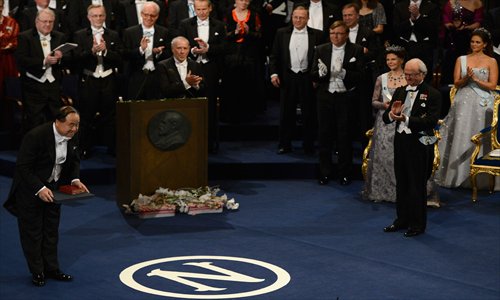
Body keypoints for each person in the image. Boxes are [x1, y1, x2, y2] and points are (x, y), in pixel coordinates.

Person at [3, 106, 89, 286]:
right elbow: (23, 168)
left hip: (54, 189)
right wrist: (40, 188)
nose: (74, 129)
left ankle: (52, 268)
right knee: (33, 233)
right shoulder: (35, 136)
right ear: (57, 122)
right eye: (71, 125)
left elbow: (74, 160)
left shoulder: (72, 136)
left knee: (51, 231)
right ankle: (37, 272)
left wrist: (74, 179)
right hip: (30, 190)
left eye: (77, 125)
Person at [382, 58, 441, 237]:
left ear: (422, 74)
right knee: (402, 183)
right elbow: (386, 118)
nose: (407, 78)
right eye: (406, 74)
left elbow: (430, 121)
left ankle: (417, 225)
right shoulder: (400, 91)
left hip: (420, 144)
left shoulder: (433, 94)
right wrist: (393, 114)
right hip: (401, 142)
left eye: (412, 75)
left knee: (416, 185)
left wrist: (406, 119)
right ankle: (401, 220)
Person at [435, 28, 498, 188]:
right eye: (472, 41)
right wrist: (466, 78)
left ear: (484, 44)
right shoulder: (461, 59)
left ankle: (482, 177)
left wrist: (476, 79)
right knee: (461, 133)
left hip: (483, 102)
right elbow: (456, 82)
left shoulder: (491, 61)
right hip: (463, 100)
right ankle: (457, 176)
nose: (474, 44)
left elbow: (492, 85)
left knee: (480, 133)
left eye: (478, 42)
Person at [311, 20, 364, 186]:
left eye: (339, 33)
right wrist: (320, 74)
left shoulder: (356, 50)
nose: (335, 36)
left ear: (346, 34)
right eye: (333, 33)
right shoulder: (321, 49)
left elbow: (362, 76)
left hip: (345, 98)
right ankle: (324, 172)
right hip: (325, 97)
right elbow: (313, 75)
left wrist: (345, 73)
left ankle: (344, 174)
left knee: (344, 137)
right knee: (324, 136)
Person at [269, 5, 323, 155]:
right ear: (291, 17)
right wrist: (274, 74)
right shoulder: (281, 33)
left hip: (308, 78)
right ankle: (284, 144)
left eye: (301, 17)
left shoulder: (317, 35)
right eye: (295, 17)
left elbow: (321, 59)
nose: (298, 20)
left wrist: (317, 77)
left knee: (309, 114)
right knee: (286, 113)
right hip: (288, 77)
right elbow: (274, 56)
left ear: (307, 19)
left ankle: (308, 145)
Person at [72, 4, 123, 158]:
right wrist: (91, 52)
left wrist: (106, 52)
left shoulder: (113, 35)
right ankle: (84, 148)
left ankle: (111, 147)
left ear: (105, 16)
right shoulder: (80, 35)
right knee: (86, 116)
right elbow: (75, 59)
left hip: (108, 79)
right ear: (88, 18)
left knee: (110, 116)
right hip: (89, 80)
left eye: (101, 15)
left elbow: (120, 58)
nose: (98, 18)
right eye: (94, 16)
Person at [178, 0, 226, 153]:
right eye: (198, 9)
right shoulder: (185, 24)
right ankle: (188, 142)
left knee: (210, 106)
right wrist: (192, 51)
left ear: (210, 8)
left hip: (210, 69)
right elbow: (180, 45)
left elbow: (224, 48)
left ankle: (209, 143)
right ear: (194, 9)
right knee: (190, 104)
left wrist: (208, 49)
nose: (201, 12)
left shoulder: (219, 25)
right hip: (191, 68)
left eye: (204, 9)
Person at [362, 45, 406, 202]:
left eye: (393, 59)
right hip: (384, 122)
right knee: (384, 156)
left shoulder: (408, 77)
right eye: (388, 59)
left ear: (401, 59)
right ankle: (382, 192)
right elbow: (374, 101)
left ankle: (402, 192)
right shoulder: (382, 78)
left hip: (403, 121)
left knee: (400, 156)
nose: (390, 62)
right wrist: (384, 106)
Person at [15, 8, 67, 131]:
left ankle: (52, 150)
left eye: (50, 21)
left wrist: (60, 59)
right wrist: (44, 61)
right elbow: (21, 60)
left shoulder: (60, 37)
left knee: (54, 123)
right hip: (33, 88)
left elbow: (70, 60)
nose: (47, 24)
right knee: (35, 124)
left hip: (53, 87)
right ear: (36, 21)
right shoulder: (25, 37)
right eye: (44, 21)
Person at [220, 0, 264, 123]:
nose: (244, 2)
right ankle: (231, 114)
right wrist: (235, 32)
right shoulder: (227, 14)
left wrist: (249, 32)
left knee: (248, 83)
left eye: (247, 0)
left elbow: (260, 36)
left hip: (249, 55)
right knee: (231, 84)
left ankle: (248, 115)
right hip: (231, 56)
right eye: (241, 0)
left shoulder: (254, 15)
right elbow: (223, 37)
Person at [122, 1, 169, 100]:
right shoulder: (129, 32)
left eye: (152, 15)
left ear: (157, 16)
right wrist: (141, 49)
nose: (149, 18)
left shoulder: (164, 32)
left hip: (157, 76)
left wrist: (159, 53)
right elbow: (124, 55)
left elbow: (169, 54)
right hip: (136, 76)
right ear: (141, 14)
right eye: (146, 15)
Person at [393, 0, 440, 82]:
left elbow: (433, 30)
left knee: (424, 78)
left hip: (424, 49)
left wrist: (418, 17)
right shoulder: (399, 6)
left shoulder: (432, 7)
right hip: (404, 49)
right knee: (404, 79)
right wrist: (410, 20)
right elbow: (396, 29)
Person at [440, 0, 484, 85]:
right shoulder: (451, 2)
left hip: (469, 41)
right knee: (449, 67)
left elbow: (478, 22)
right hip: (452, 40)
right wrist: (454, 27)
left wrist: (465, 28)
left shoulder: (476, 2)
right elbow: (446, 20)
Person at [0, 0, 19, 101]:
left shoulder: (11, 22)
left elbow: (14, 43)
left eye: (0, 6)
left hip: (8, 62)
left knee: (9, 95)